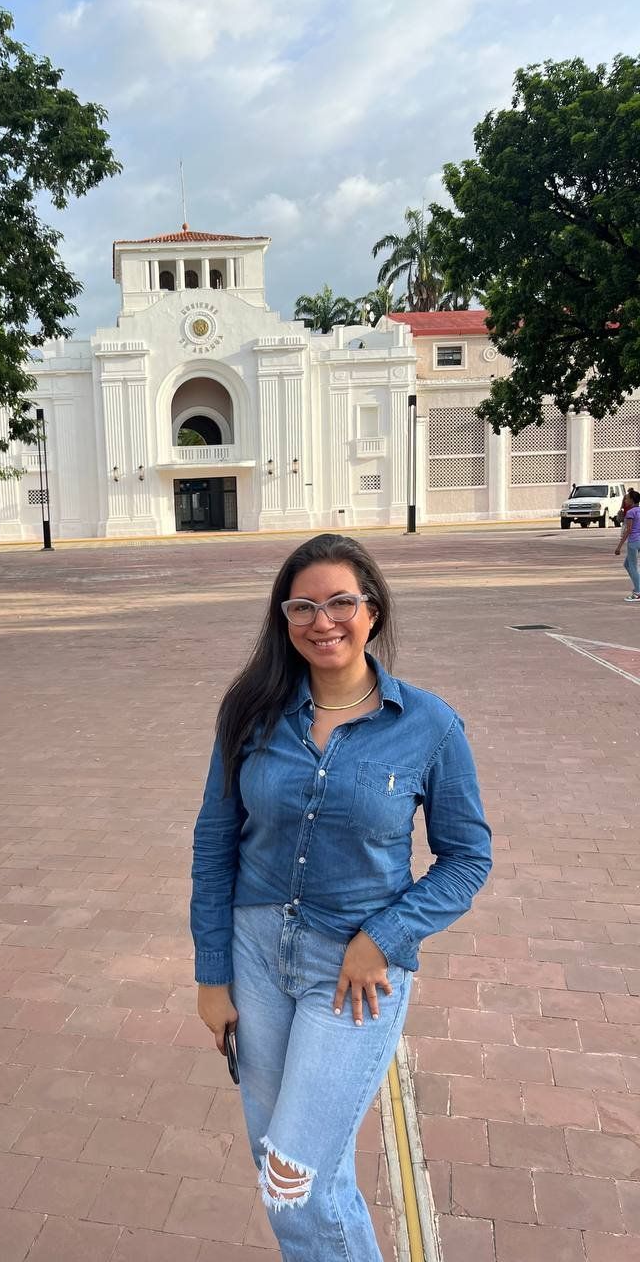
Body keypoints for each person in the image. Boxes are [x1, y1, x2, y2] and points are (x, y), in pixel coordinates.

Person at [190, 534, 492, 1262]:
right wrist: (211, 974)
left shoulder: (428, 725)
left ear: (374, 610)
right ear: (283, 618)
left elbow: (467, 859)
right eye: (302, 606)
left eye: (341, 603)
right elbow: (213, 843)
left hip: (355, 975)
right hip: (256, 957)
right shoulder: (251, 711)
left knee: (294, 1179)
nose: (322, 621)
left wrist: (384, 936)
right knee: (293, 1172)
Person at [613, 489, 640, 601]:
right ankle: (638, 587)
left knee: (632, 566)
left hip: (633, 542)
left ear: (632, 500)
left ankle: (638, 592)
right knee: (627, 564)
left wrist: (619, 546)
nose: (625, 500)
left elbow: (628, 530)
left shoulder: (630, 513)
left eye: (627, 498)